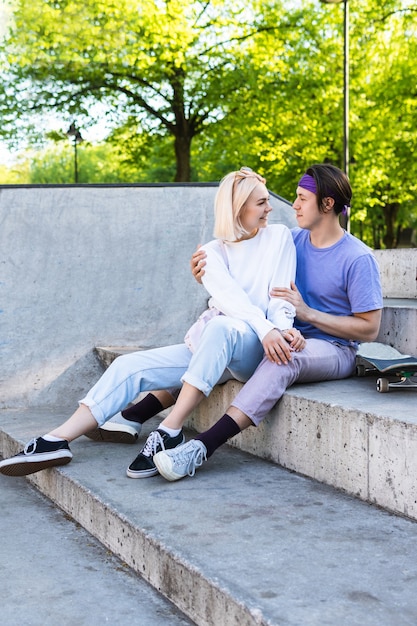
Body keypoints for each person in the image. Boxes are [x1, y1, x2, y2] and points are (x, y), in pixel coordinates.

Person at [0, 167, 303, 478]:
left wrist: (278, 328)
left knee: (222, 327)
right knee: (128, 366)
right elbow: (231, 300)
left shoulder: (279, 237)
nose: (270, 208)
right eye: (262, 203)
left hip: (257, 346)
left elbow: (281, 294)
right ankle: (57, 439)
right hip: (214, 344)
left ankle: (170, 429)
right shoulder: (209, 253)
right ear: (238, 208)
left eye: (268, 201)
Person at [150, 163, 383, 481]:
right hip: (286, 333)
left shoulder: (358, 258)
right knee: (224, 342)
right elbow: (243, 249)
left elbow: (369, 328)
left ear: (328, 204)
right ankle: (140, 411)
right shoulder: (290, 240)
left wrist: (307, 314)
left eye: (302, 198)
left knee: (283, 358)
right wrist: (205, 270)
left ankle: (201, 447)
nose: (295, 205)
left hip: (334, 348)